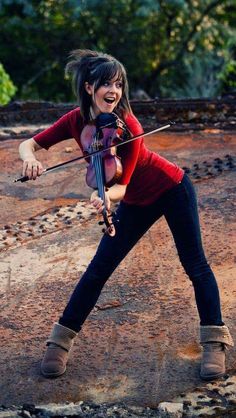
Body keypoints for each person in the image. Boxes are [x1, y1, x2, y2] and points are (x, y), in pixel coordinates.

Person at [19, 49, 233, 381]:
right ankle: (59, 343)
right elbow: (28, 144)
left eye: (119, 84)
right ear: (90, 87)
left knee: (196, 265)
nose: (114, 91)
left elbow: (124, 185)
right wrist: (29, 159)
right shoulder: (76, 121)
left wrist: (102, 196)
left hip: (172, 188)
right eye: (107, 83)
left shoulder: (128, 124)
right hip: (137, 202)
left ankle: (214, 342)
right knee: (98, 269)